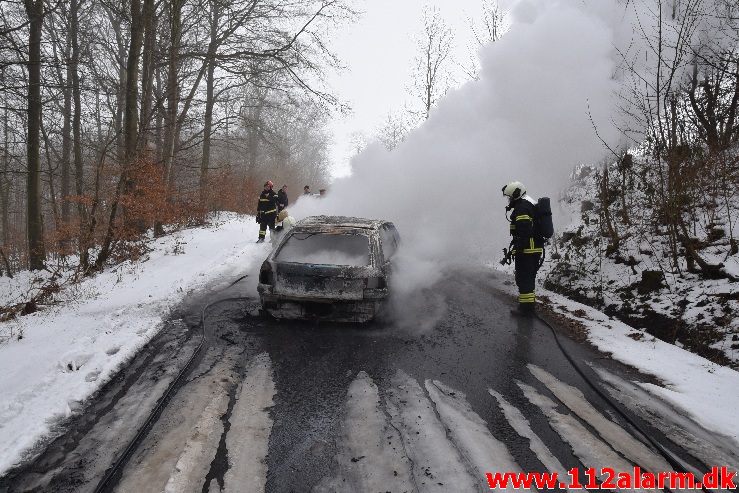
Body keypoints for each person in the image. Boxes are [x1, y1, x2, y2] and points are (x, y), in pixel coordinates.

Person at [502, 181, 543, 317]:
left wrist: (520, 248)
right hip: (532, 249)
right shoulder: (527, 204)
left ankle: (526, 311)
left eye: (510, 197)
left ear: (516, 194)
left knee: (523, 278)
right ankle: (528, 308)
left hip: (528, 250)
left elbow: (525, 231)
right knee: (528, 279)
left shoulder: (522, 207)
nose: (509, 200)